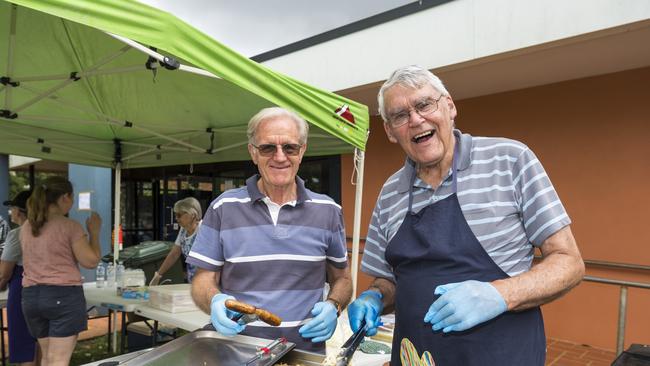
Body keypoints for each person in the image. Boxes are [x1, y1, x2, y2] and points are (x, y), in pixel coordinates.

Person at [348, 65, 585, 366]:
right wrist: (377, 298)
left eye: (424, 104)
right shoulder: (390, 192)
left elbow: (569, 262)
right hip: (416, 358)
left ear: (449, 106)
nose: (416, 120)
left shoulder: (510, 160)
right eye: (400, 115)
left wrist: (498, 294)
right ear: (390, 131)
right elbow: (390, 280)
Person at [187, 107, 352, 353]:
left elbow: (343, 279)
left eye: (290, 147)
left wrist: (334, 305)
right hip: (236, 352)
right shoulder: (223, 207)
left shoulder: (328, 210)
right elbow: (202, 280)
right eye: (267, 148)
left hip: (304, 355)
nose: (280, 156)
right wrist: (214, 301)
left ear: (302, 151)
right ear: (253, 152)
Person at [20, 176, 102, 366]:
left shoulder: (27, 226)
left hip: (31, 296)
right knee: (59, 360)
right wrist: (95, 233)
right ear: (65, 197)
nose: (72, 204)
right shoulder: (69, 226)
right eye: (71, 199)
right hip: (62, 295)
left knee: (48, 357)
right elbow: (90, 261)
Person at [0, 191, 39, 366]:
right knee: (41, 342)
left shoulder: (17, 234)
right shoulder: (48, 230)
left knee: (24, 343)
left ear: (19, 211)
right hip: (48, 290)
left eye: (12, 208)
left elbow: (3, 273)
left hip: (22, 290)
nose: (11, 212)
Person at [149, 197, 202, 285]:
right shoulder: (183, 230)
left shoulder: (204, 230)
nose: (176, 218)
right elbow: (174, 254)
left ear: (192, 214)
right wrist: (158, 275)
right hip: (193, 282)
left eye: (179, 215)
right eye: (175, 215)